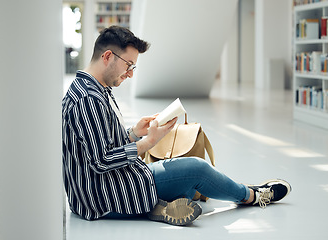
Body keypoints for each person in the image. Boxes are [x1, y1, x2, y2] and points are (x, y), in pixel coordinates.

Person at [62, 26, 292, 226]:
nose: (130, 74)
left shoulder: (91, 90)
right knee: (197, 169)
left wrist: (133, 133)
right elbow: (101, 161)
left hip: (108, 187)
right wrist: (149, 142)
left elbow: (100, 144)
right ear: (108, 56)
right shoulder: (88, 100)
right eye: (129, 65)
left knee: (191, 181)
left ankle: (163, 206)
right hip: (108, 196)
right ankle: (253, 195)